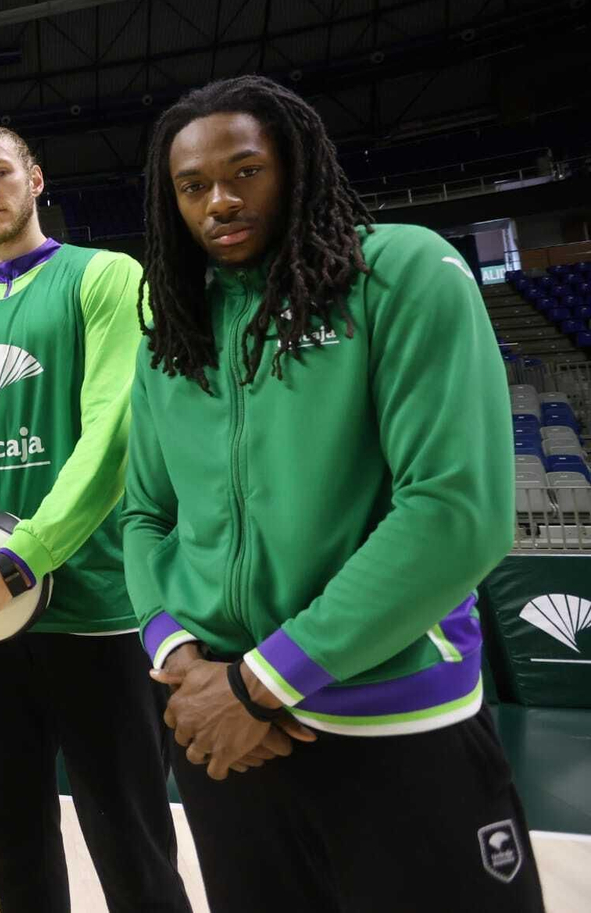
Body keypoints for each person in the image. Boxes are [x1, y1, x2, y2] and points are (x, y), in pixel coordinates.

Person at [122, 74, 546, 911]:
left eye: (245, 172)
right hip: (223, 736)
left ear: (295, 163)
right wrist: (180, 659)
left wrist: (264, 683)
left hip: (394, 721)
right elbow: (145, 515)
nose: (219, 202)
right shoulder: (173, 323)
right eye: (193, 186)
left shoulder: (403, 271)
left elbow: (457, 514)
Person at [0, 128, 192, 913]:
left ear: (35, 180)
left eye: (0, 175)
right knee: (13, 844)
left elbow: (113, 438)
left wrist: (19, 562)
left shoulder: (106, 278)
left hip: (98, 613)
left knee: (131, 845)